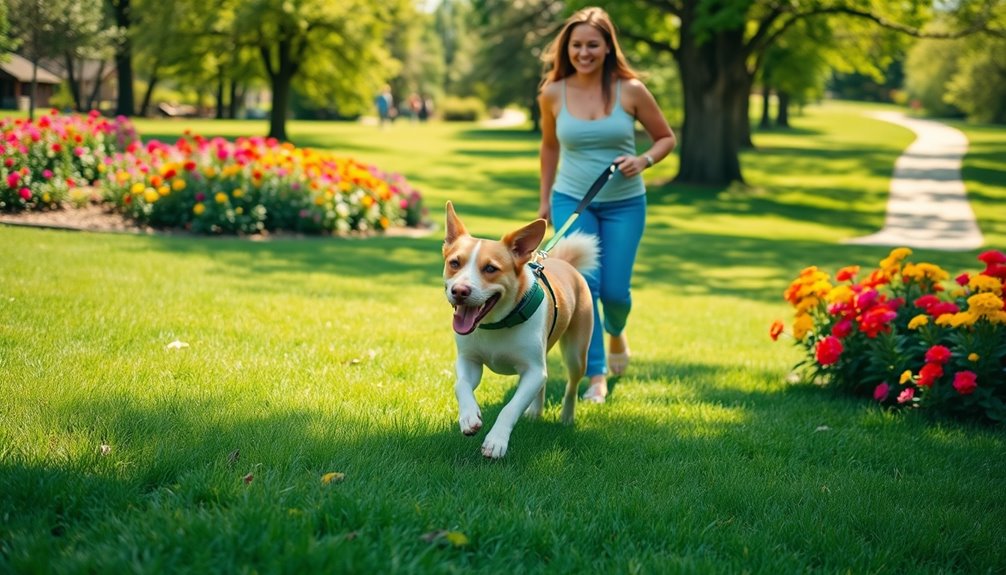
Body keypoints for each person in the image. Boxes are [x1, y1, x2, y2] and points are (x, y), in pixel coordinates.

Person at [537, 6, 676, 403]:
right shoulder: (552, 93)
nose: (584, 52)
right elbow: (549, 147)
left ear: (607, 47)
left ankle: (617, 332)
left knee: (615, 292)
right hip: (572, 201)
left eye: (592, 44)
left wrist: (644, 160)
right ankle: (594, 376)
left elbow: (665, 137)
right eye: (577, 45)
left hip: (625, 205)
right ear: (567, 49)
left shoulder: (630, 90)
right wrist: (545, 198)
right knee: (587, 286)